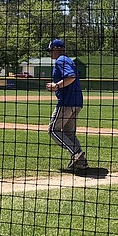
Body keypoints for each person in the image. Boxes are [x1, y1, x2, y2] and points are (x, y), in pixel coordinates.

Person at [45, 39, 88, 171]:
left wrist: (56, 85)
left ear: (57, 48)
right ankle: (81, 163)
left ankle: (76, 153)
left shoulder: (61, 60)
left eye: (51, 50)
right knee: (69, 133)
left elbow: (71, 77)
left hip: (66, 102)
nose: (50, 53)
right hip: (77, 102)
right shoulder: (68, 60)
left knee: (53, 130)